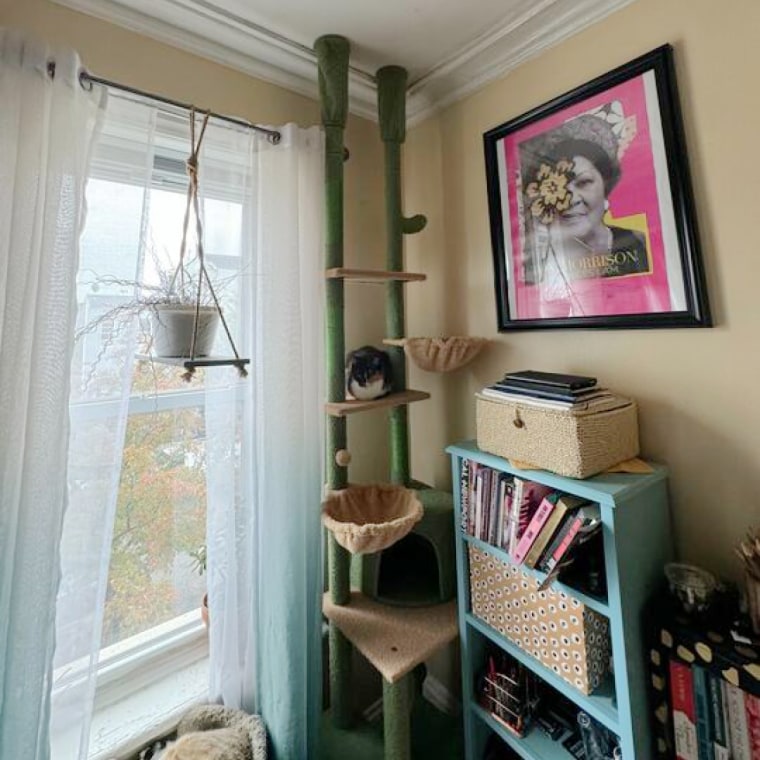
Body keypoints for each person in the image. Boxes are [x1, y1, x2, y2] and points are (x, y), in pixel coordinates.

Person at [517, 112, 652, 317]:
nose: (570, 198)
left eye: (583, 182)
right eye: (558, 188)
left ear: (605, 185)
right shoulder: (539, 261)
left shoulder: (635, 241)